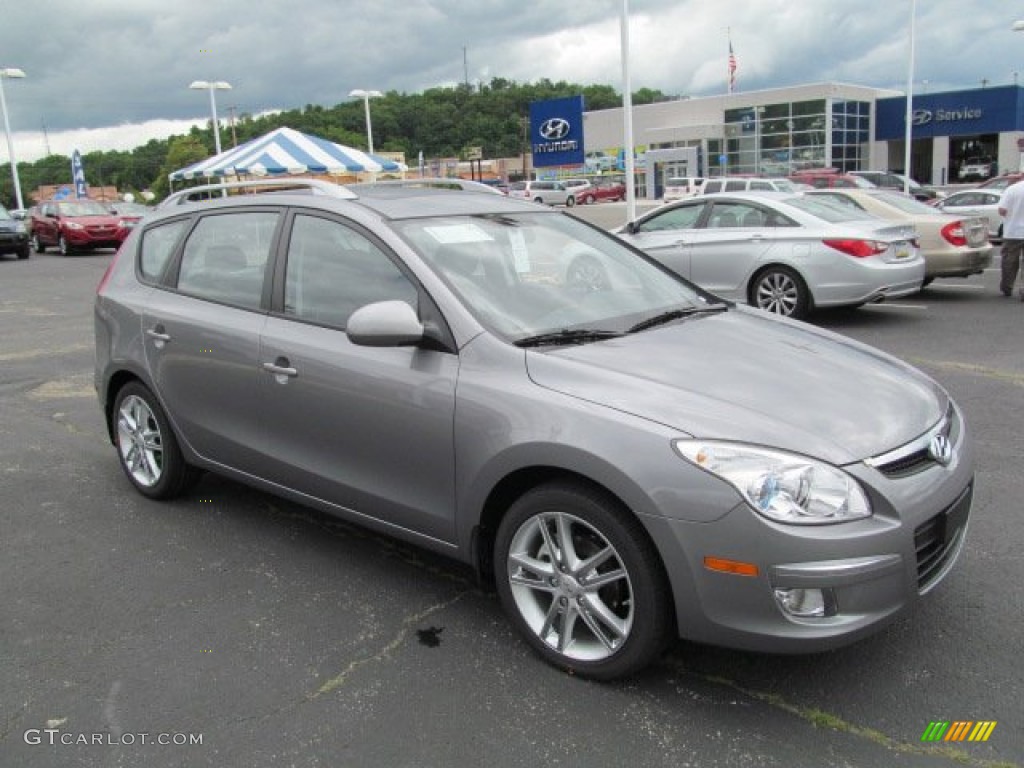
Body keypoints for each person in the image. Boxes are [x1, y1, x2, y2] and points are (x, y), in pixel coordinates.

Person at [997, 178, 1024, 299]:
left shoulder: (1012, 189)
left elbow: (1002, 210)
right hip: (1014, 231)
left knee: (1009, 260)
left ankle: (1007, 287)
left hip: (1013, 231)